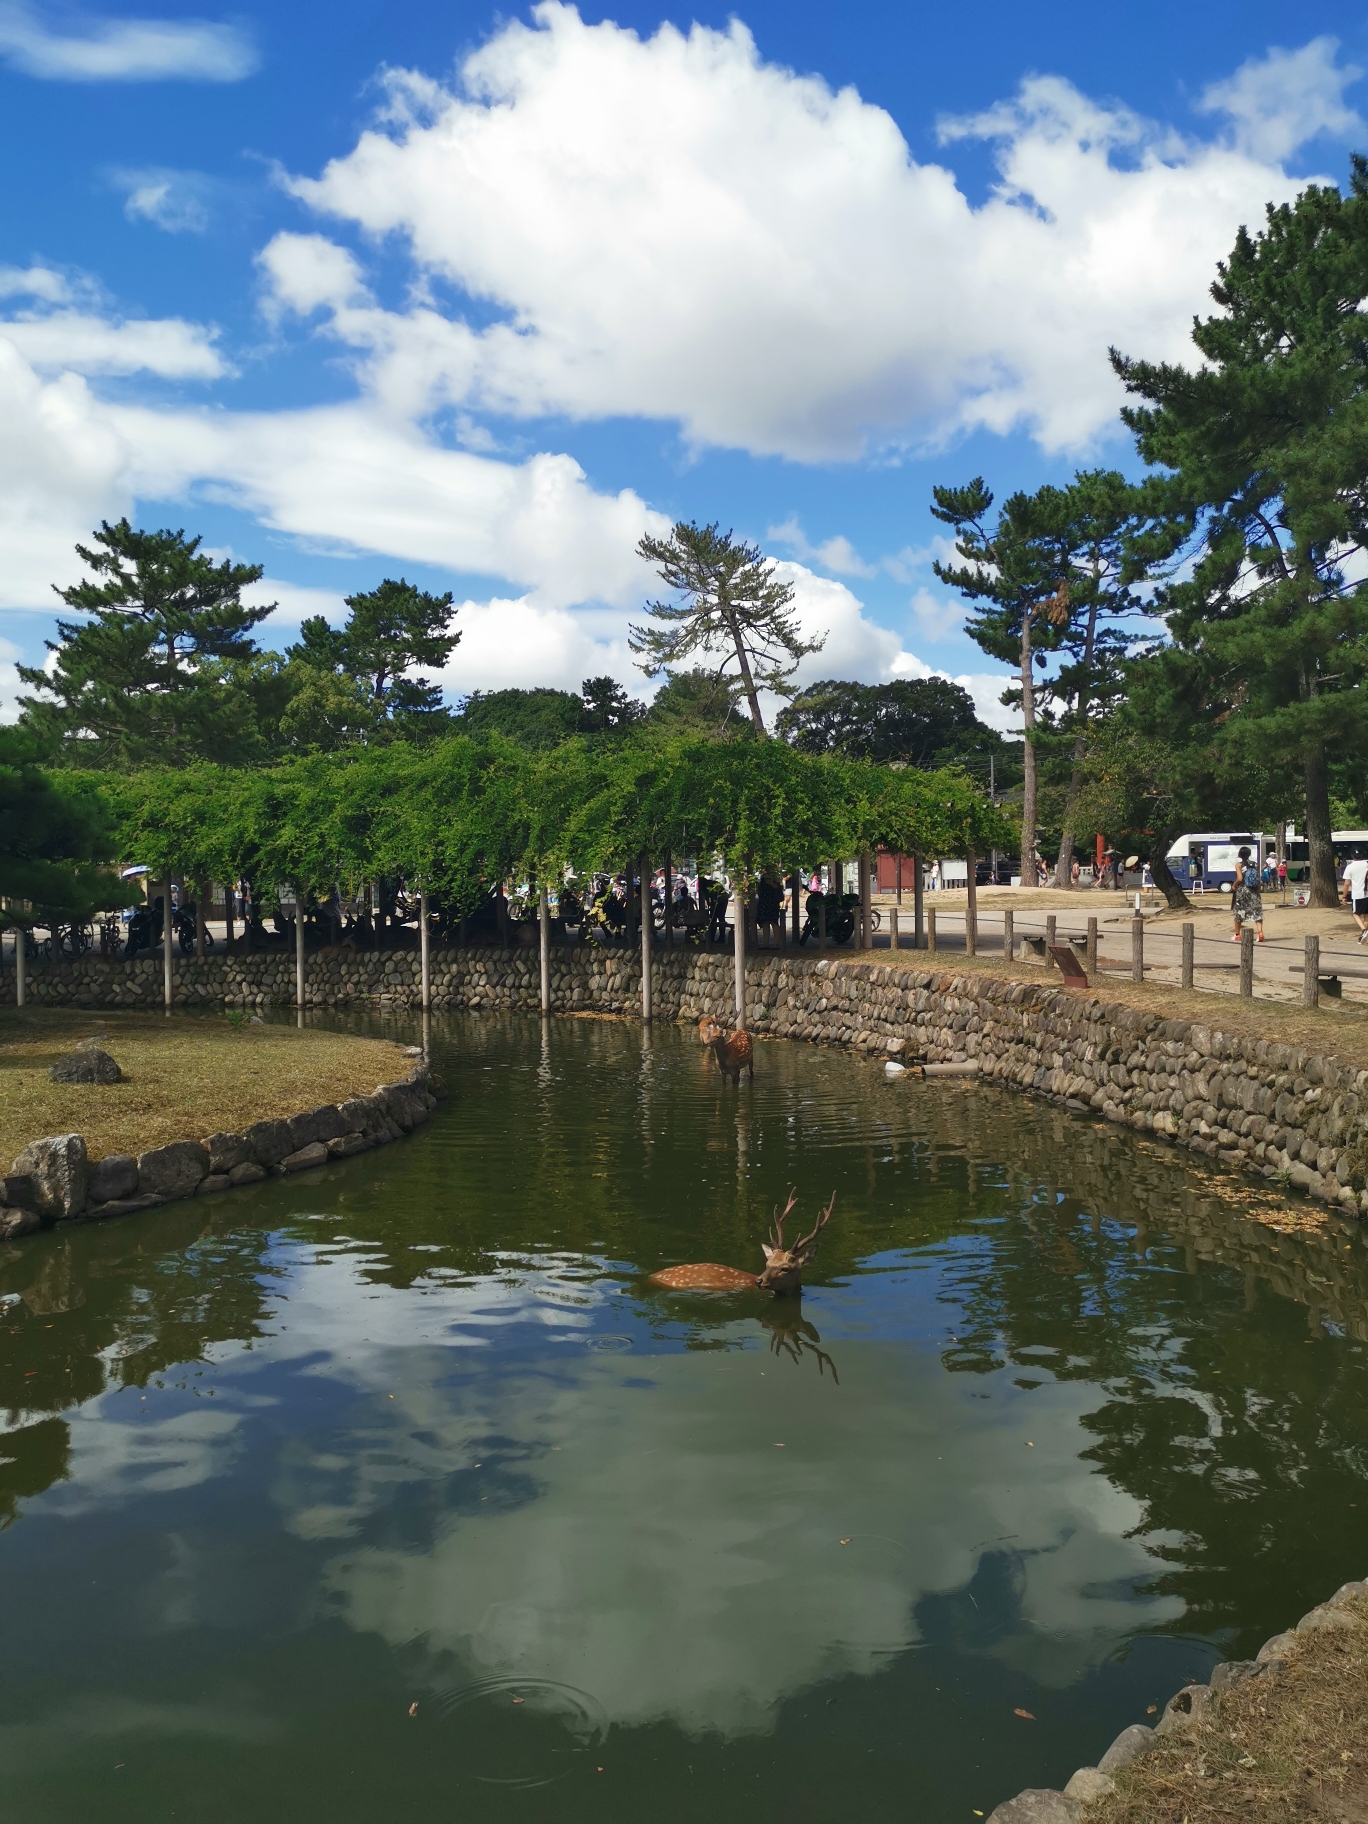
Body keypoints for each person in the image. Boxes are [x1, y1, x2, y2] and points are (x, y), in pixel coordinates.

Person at [1231, 845, 1265, 942]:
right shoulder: (1255, 864)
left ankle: (1237, 935)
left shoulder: (1239, 865)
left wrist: (1234, 885)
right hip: (1254, 890)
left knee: (1239, 912)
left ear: (1240, 855)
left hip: (1243, 891)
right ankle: (1260, 933)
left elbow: (1240, 878)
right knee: (1257, 912)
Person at [1342, 853, 1368, 943]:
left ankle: (1364, 931)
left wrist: (1344, 896)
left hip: (1358, 894)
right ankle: (1364, 936)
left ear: (1352, 856)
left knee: (1355, 913)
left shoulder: (1350, 867)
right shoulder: (1367, 864)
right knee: (1366, 916)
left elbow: (1347, 883)